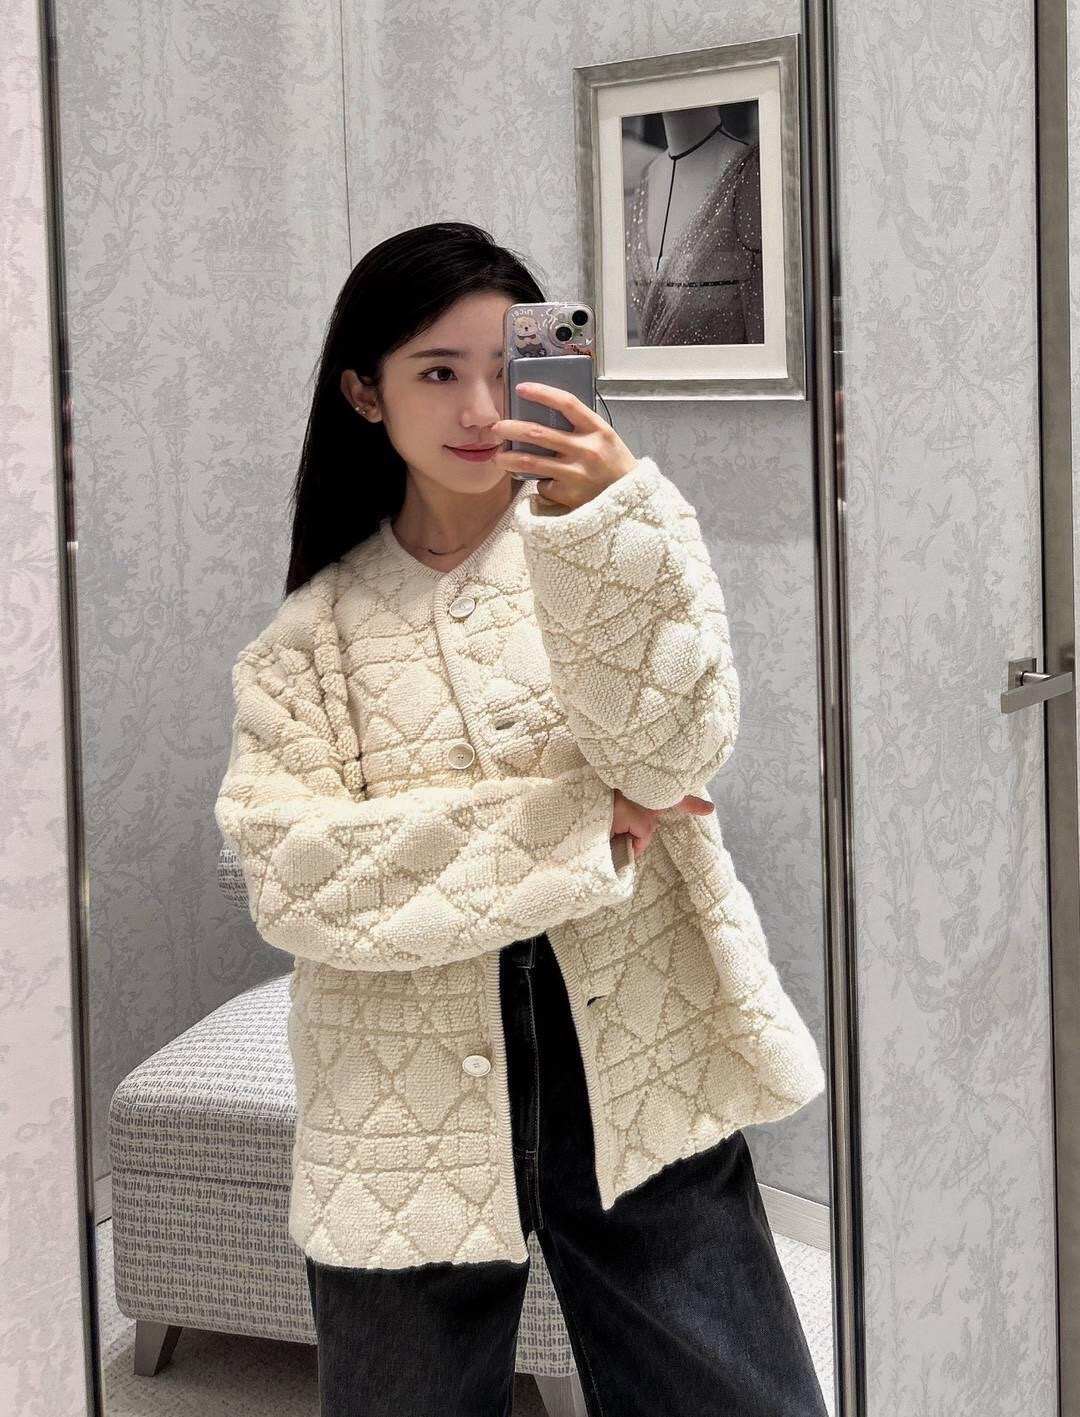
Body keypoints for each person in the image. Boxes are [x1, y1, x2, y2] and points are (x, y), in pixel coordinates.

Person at [214, 221, 829, 1416]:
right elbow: (299, 880)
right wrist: (581, 826)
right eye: (437, 371)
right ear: (365, 392)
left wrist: (607, 534)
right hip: (398, 1113)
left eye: (509, 367)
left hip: (637, 1059)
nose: (481, 407)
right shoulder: (307, 643)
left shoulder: (628, 537)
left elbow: (675, 754)